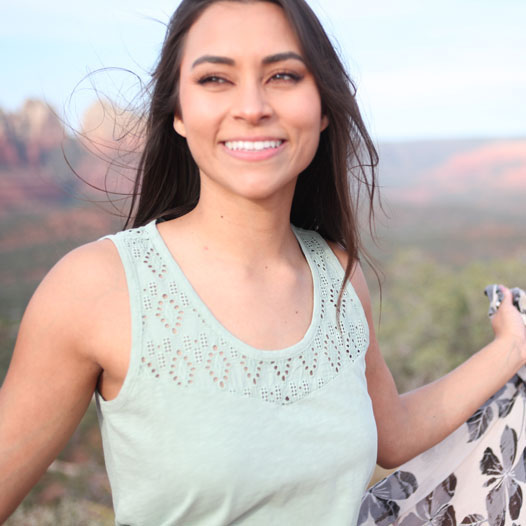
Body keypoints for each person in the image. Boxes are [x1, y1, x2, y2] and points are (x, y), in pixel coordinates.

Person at [1, 0, 525, 524]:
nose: (252, 106)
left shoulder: (337, 274)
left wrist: (511, 350)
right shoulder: (97, 287)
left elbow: (392, 433)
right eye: (214, 78)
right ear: (178, 112)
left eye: (282, 75)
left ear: (322, 107)